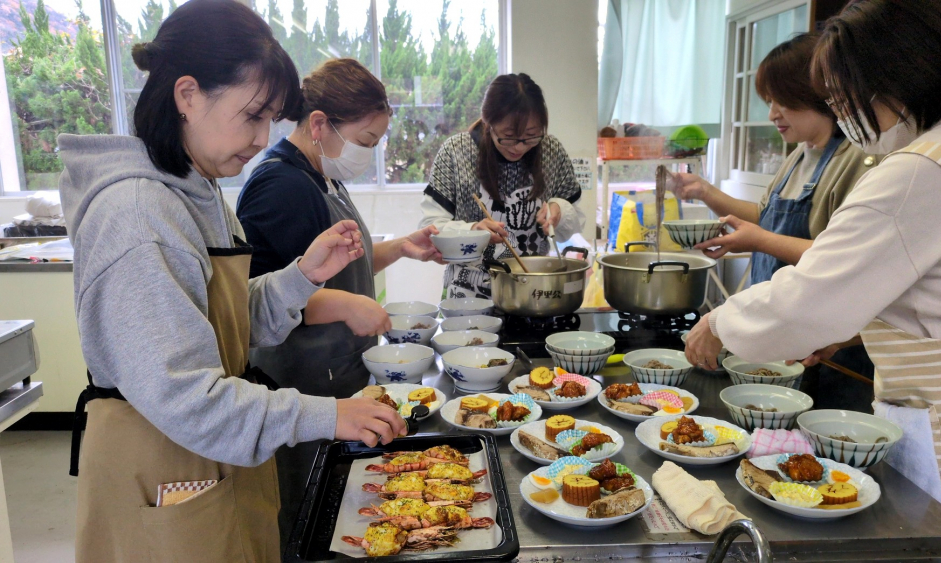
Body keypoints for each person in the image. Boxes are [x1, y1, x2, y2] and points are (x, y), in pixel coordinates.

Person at [58, 2, 405, 561]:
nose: (264, 135)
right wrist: (327, 413)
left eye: (271, 117)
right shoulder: (138, 215)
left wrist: (300, 278)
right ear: (188, 95)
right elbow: (188, 396)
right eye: (252, 115)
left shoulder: (195, 191)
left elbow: (226, 320)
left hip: (212, 456)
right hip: (162, 467)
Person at [685, 0, 941, 554]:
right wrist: (854, 327)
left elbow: (808, 300)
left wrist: (720, 323)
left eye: (837, 94)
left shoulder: (919, 170)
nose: (838, 108)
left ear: (887, 79)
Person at [236, 57, 441, 553]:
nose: (367, 155)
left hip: (339, 375)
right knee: (306, 514)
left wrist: (401, 248)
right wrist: (349, 306)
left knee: (343, 505)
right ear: (321, 123)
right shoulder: (279, 185)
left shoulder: (322, 175)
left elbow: (342, 262)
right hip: (301, 384)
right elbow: (258, 297)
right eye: (366, 141)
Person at [673, 33, 878, 408]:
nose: (772, 114)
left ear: (813, 93)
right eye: (768, 102)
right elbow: (766, 219)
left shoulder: (857, 160)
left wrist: (759, 241)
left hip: (830, 351)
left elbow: (843, 258)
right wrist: (705, 193)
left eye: (780, 100)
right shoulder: (799, 155)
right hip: (782, 334)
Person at [419, 73, 586, 298]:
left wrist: (560, 211)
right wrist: (471, 231)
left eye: (530, 136)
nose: (519, 147)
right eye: (508, 136)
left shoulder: (551, 151)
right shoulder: (456, 152)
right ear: (489, 123)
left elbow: (575, 220)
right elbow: (431, 228)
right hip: (469, 295)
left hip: (534, 292)